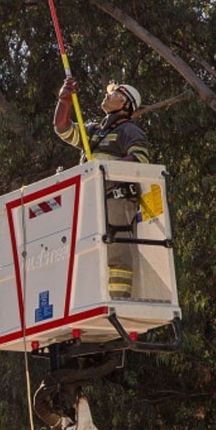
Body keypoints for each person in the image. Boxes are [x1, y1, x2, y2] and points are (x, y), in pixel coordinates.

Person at [53, 76, 149, 299]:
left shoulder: (129, 131)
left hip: (116, 198)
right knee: (87, 251)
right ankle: (90, 298)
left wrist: (102, 168)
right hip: (90, 199)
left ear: (126, 105)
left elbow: (140, 161)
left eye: (115, 93)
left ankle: (118, 300)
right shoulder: (94, 131)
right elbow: (63, 128)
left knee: (117, 250)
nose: (107, 94)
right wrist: (64, 101)